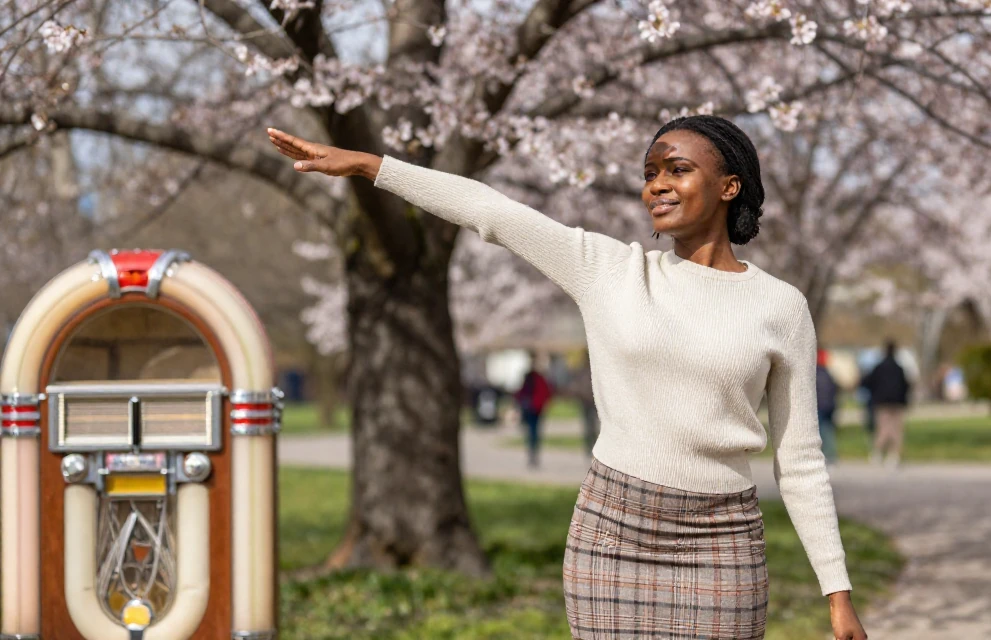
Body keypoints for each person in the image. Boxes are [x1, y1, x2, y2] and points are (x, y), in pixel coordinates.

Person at [267, 115, 867, 640]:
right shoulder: (608, 270)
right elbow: (492, 212)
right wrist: (372, 166)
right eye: (649, 171)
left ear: (729, 186)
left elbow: (802, 460)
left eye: (676, 168)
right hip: (612, 535)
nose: (656, 184)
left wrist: (836, 594)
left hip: (723, 544)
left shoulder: (780, 306)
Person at [861, 339, 910, 469]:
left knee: (883, 428)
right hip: (897, 403)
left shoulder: (879, 367)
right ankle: (893, 456)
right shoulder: (899, 369)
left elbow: (866, 382)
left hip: (881, 403)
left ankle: (877, 453)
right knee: (896, 430)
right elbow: (906, 386)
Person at [515, 351, 554, 468]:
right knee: (532, 432)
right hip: (530, 408)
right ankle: (532, 454)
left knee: (533, 432)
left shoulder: (538, 378)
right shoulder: (528, 377)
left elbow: (545, 393)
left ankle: (533, 454)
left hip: (535, 408)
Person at [565, 350, 601, 458]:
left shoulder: (594, 370)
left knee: (593, 425)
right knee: (588, 425)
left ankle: (593, 445)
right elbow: (576, 385)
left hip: (592, 401)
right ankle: (589, 446)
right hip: (585, 401)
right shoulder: (581, 371)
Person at [815, 348, 840, 464]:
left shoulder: (815, 374)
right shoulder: (828, 374)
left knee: (821, 431)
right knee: (828, 430)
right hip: (829, 406)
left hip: (820, 406)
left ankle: (823, 454)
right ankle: (830, 454)